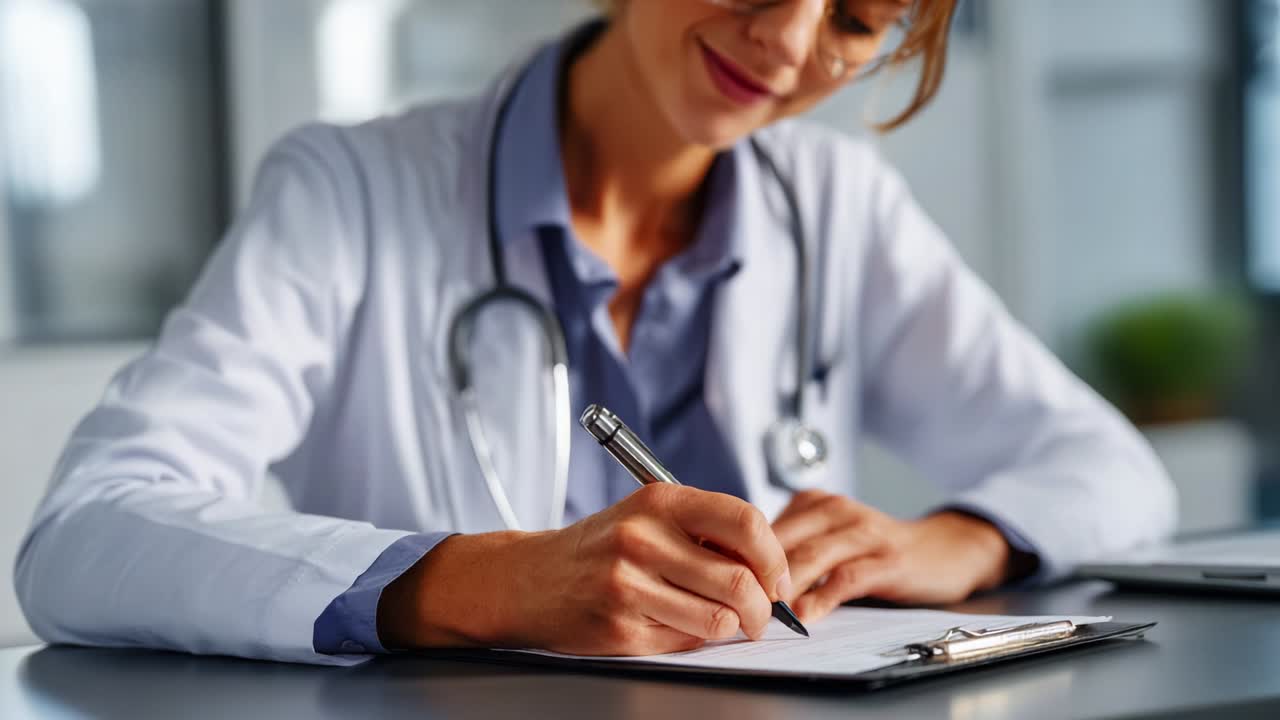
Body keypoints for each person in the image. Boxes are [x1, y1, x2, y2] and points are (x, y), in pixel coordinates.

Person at [14, 0, 1175, 665]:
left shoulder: (839, 207)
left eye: (857, 17)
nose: (784, 38)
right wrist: (476, 581)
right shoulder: (350, 195)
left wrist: (954, 543)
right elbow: (83, 535)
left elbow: (1111, 470)